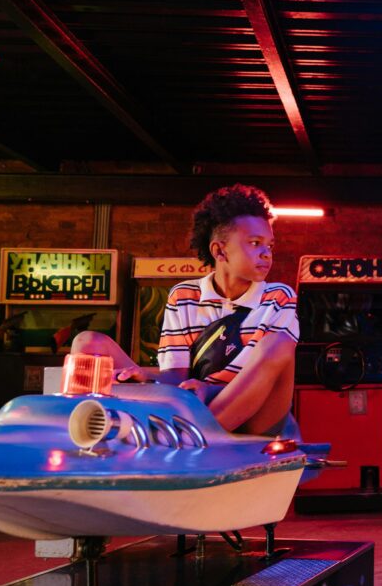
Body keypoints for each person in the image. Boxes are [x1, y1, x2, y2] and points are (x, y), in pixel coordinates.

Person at [72, 184, 298, 436]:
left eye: (270, 246)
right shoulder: (183, 295)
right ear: (220, 250)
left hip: (257, 415)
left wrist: (207, 389)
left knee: (278, 343)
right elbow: (176, 377)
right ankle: (87, 432)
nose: (266, 254)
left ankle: (192, 436)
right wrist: (146, 377)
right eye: (255, 243)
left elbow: (258, 382)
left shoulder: (279, 297)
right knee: (87, 342)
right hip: (193, 402)